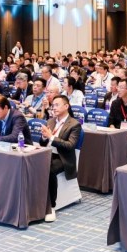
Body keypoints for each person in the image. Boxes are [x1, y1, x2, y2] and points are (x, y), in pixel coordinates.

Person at [39, 95, 80, 223]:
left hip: (63, 158)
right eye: (53, 105)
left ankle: (51, 207)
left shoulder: (74, 124)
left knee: (49, 170)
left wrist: (51, 137)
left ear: (66, 106)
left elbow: (70, 145)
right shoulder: (50, 121)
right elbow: (42, 143)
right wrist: (44, 137)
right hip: (47, 153)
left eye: (57, 105)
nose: (54, 108)